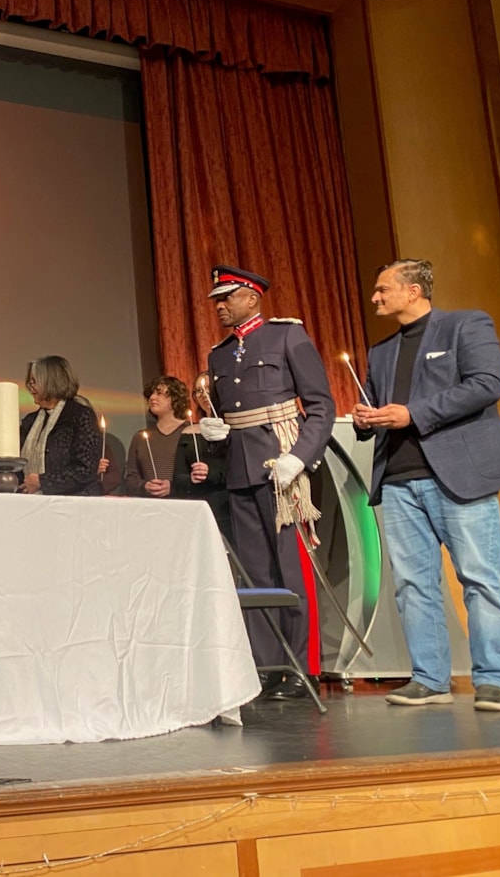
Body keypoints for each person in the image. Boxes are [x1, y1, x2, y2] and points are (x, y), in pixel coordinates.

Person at [353, 259, 500, 711]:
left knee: (479, 578)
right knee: (413, 584)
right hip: (397, 481)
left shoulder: (465, 325)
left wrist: (414, 413)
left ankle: (493, 680)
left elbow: (487, 385)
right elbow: (378, 409)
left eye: (382, 289)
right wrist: (365, 418)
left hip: (458, 475)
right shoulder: (380, 352)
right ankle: (430, 679)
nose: (375, 297)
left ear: (413, 291)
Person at [200, 265, 335, 700]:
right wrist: (215, 432)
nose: (219, 306)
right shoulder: (218, 355)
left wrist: (300, 457)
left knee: (291, 568)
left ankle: (303, 667)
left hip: (283, 465)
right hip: (241, 470)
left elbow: (321, 406)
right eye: (216, 300)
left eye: (227, 297)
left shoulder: (286, 336)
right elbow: (227, 410)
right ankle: (267, 665)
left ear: (253, 297)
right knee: (255, 575)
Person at [19, 356, 101, 496]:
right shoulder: (29, 422)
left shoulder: (79, 415)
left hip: (75, 502)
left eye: (34, 382)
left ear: (51, 382)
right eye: (29, 382)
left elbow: (85, 468)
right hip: (34, 503)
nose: (30, 387)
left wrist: (42, 482)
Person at [171, 372, 233, 544]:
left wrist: (210, 472)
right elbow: (177, 478)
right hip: (200, 509)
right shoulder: (189, 432)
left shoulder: (234, 427)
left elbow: (240, 469)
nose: (204, 395)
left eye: (207, 389)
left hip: (230, 507)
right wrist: (191, 478)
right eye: (199, 391)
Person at [124, 376, 190, 499]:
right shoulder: (141, 438)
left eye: (159, 393)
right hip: (151, 508)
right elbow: (130, 479)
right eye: (151, 394)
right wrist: (144, 486)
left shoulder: (191, 432)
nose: (152, 397)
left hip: (185, 505)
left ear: (175, 398)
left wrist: (173, 487)